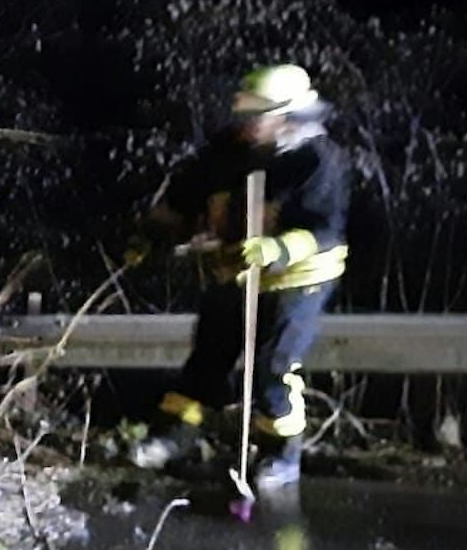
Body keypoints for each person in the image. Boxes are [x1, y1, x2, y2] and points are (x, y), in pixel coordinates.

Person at [124, 64, 350, 490]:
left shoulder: (316, 161)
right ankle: (172, 438)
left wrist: (276, 250)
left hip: (298, 278)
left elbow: (323, 230)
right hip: (235, 270)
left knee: (273, 367)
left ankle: (280, 454)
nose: (247, 124)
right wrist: (150, 236)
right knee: (208, 357)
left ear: (287, 115)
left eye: (257, 116)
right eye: (244, 115)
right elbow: (183, 197)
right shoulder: (225, 153)